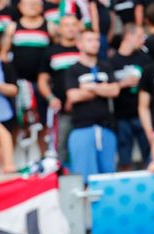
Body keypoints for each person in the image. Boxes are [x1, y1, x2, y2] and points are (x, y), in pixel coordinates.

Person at [64, 30, 120, 181]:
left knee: (108, 178)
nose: (95, 43)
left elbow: (115, 90)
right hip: (82, 127)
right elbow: (73, 96)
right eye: (90, 40)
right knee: (85, 180)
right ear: (79, 44)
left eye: (96, 40)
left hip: (106, 127)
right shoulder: (73, 69)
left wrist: (90, 87)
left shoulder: (105, 66)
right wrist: (103, 88)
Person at [37, 14, 81, 161]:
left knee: (81, 149)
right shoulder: (51, 52)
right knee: (59, 146)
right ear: (60, 29)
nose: (70, 28)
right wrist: (50, 98)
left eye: (73, 24)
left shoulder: (85, 49)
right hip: (61, 111)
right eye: (66, 25)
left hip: (85, 109)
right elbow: (42, 80)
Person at [109, 24, 151, 170]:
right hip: (121, 116)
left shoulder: (145, 59)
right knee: (124, 158)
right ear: (128, 36)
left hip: (143, 114)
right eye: (139, 37)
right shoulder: (111, 62)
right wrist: (122, 84)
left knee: (150, 155)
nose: (142, 40)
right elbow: (107, 87)